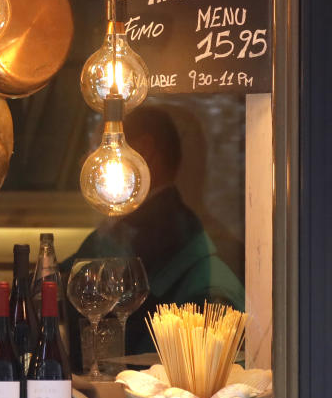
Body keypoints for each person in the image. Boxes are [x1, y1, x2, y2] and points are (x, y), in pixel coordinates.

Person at [63, 104, 245, 363]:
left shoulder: (159, 238)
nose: (85, 164)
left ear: (144, 151)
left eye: (96, 152)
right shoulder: (152, 230)